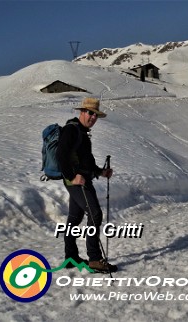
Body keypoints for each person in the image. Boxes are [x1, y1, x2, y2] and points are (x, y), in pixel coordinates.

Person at [59, 97, 116, 272]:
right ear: (82, 112)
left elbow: (87, 162)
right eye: (90, 113)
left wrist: (100, 172)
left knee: (74, 218)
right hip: (77, 182)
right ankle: (95, 259)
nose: (92, 117)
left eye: (95, 115)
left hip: (82, 179)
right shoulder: (71, 130)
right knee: (95, 214)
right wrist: (72, 176)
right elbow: (60, 155)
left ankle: (70, 257)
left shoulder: (83, 133)